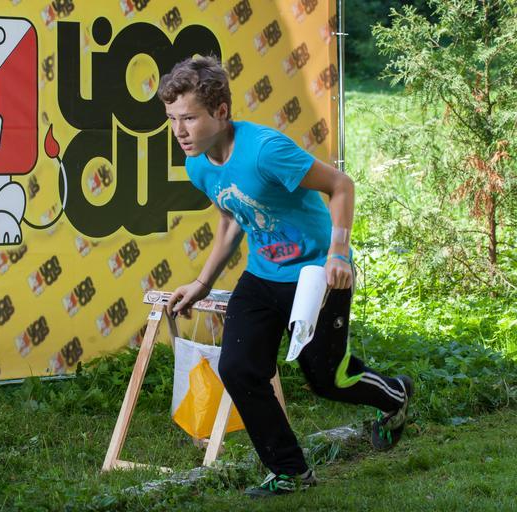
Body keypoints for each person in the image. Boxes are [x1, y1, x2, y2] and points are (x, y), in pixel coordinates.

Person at [158, 56, 413, 498]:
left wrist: (338, 254)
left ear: (221, 112)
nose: (179, 131)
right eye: (172, 119)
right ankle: (290, 470)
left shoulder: (265, 151)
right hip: (263, 274)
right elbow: (231, 219)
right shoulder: (198, 164)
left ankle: (394, 396)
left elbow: (341, 186)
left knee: (327, 379)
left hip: (318, 273)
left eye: (189, 118)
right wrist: (201, 283)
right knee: (238, 369)